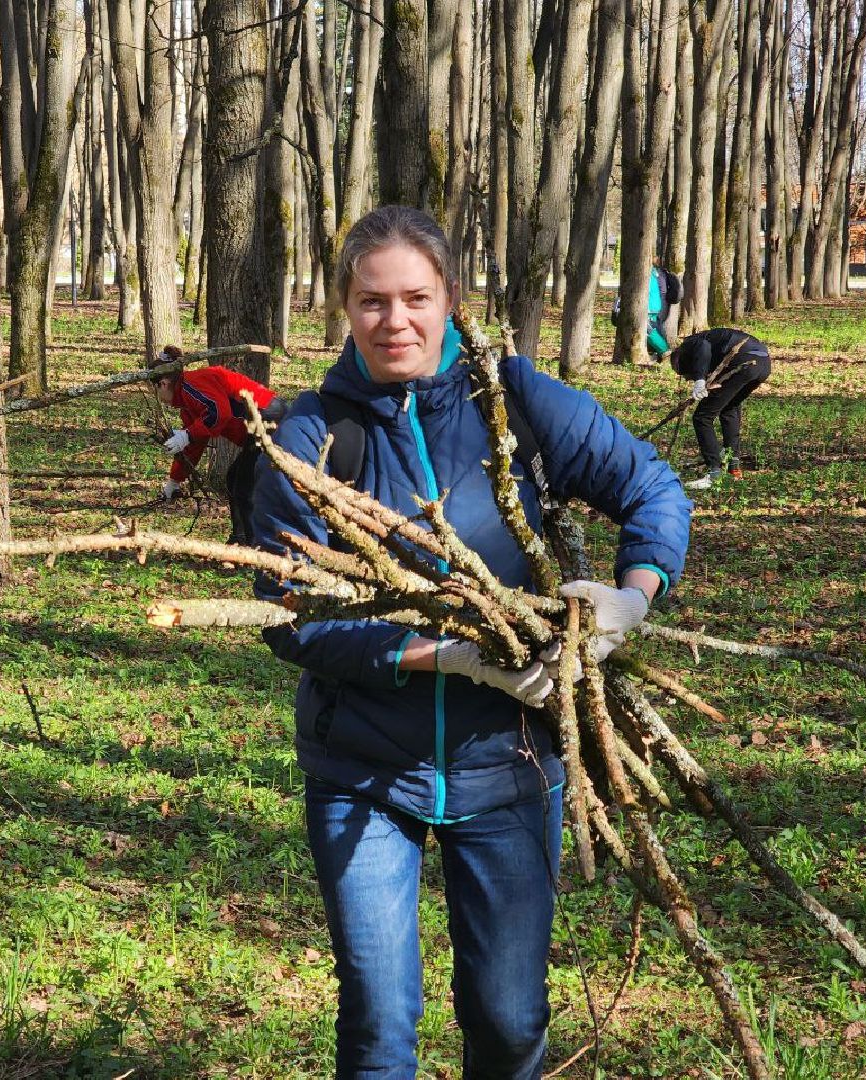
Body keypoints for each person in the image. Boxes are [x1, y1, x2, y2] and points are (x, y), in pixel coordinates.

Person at [252, 206, 691, 1077]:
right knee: (378, 1023)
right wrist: (442, 656)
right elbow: (288, 610)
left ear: (451, 298)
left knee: (509, 1019)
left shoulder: (518, 401)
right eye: (373, 301)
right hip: (363, 769)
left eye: (417, 297)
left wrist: (629, 599)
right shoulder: (308, 435)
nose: (396, 320)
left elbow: (652, 489)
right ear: (345, 306)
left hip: (512, 759)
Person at [150, 346, 282, 544]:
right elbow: (195, 444)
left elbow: (219, 413)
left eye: (155, 389)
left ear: (164, 383)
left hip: (268, 419)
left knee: (244, 486)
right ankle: (241, 539)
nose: (158, 397)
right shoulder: (186, 404)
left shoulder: (192, 384)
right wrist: (174, 482)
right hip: (256, 430)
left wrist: (187, 434)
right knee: (233, 479)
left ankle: (258, 547)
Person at [669, 327, 772, 490]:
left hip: (744, 361)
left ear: (683, 361)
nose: (687, 378)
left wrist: (699, 379)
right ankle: (733, 467)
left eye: (685, 374)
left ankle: (714, 472)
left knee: (702, 417)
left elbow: (703, 348)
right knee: (729, 407)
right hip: (763, 364)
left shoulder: (690, 343)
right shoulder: (715, 344)